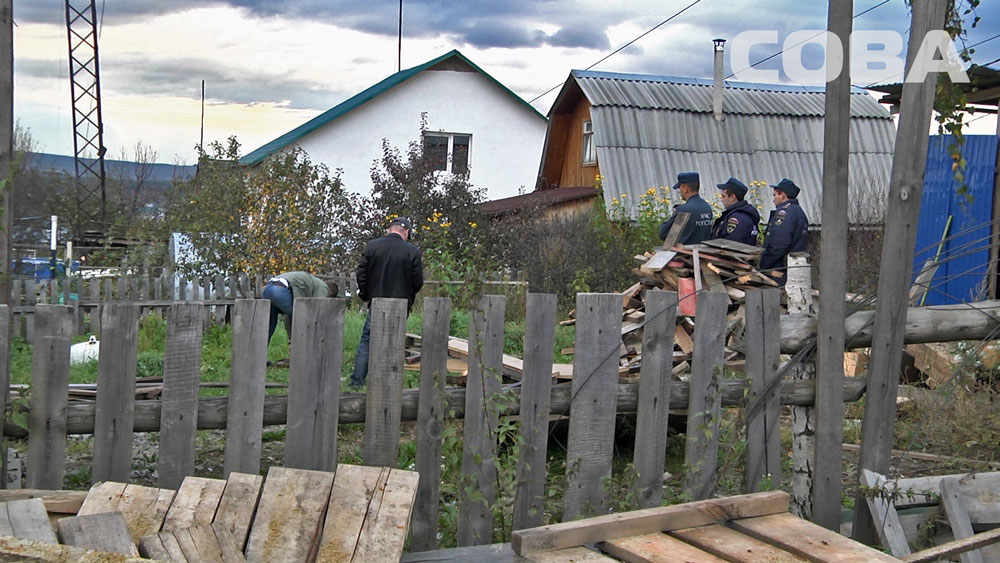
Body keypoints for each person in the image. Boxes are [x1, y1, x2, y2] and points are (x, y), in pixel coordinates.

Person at [350, 216, 424, 389]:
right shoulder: (412, 251)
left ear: (389, 229)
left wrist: (366, 297)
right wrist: (409, 298)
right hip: (400, 304)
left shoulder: (372, 246)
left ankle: (357, 382)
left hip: (376, 302)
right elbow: (418, 281)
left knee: (367, 341)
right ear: (406, 232)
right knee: (394, 341)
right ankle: (387, 382)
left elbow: (362, 275)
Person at [262, 271, 338, 344]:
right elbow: (318, 309)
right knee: (302, 320)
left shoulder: (311, 282)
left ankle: (258, 354)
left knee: (268, 328)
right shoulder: (323, 287)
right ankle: (303, 350)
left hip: (267, 289)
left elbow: (289, 317)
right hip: (280, 290)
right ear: (330, 292)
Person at [759, 178, 809, 285]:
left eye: (775, 195)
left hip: (779, 269)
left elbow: (779, 243)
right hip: (792, 268)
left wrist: (764, 263)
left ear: (783, 195)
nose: (773, 199)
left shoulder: (785, 213)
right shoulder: (798, 211)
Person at [658, 172, 714, 245]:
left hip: (686, 254)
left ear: (685, 188)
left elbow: (663, 233)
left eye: (680, 188)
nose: (679, 191)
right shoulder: (707, 207)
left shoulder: (683, 210)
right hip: (705, 253)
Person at [711, 177, 760, 246]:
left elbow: (731, 244)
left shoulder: (737, 218)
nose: (722, 200)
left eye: (723, 196)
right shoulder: (741, 214)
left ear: (732, 197)